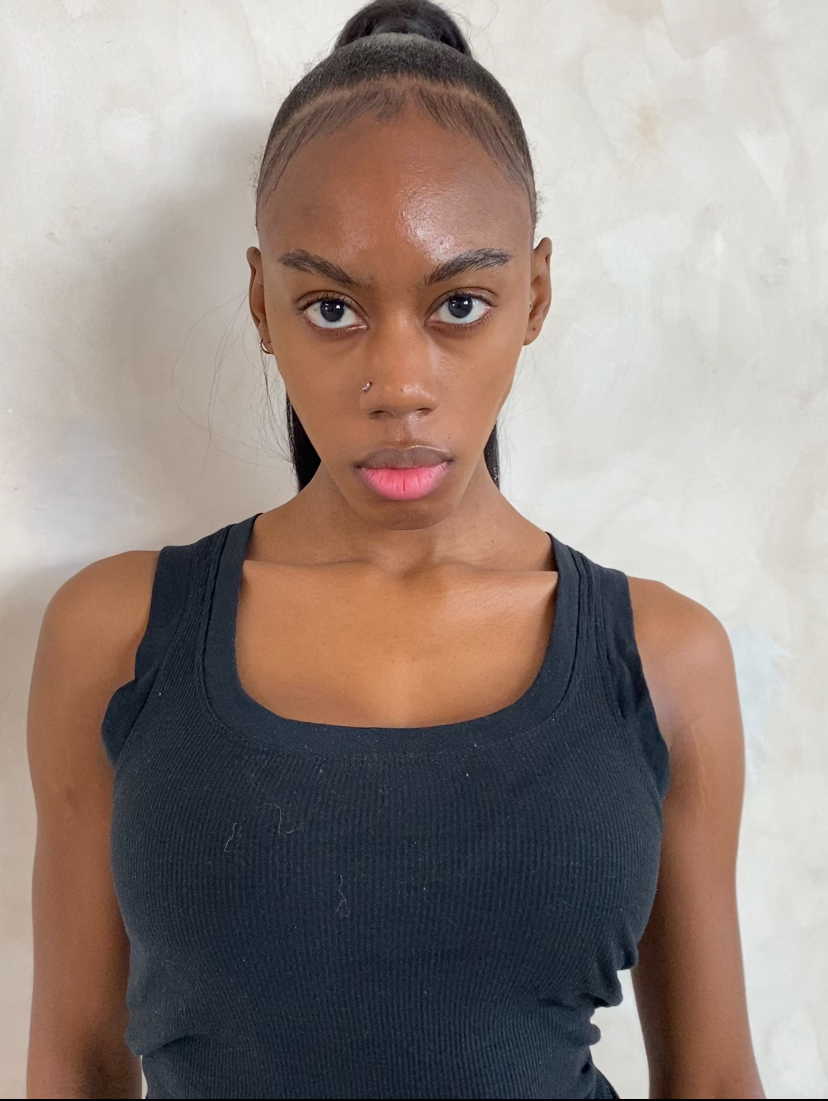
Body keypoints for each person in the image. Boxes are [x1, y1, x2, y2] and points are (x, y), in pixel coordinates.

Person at [26, 2, 766, 1098]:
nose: (399, 385)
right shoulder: (116, 637)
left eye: (460, 302)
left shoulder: (665, 662)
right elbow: (74, 1060)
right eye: (331, 309)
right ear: (262, 304)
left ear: (535, 295)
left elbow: (713, 1080)